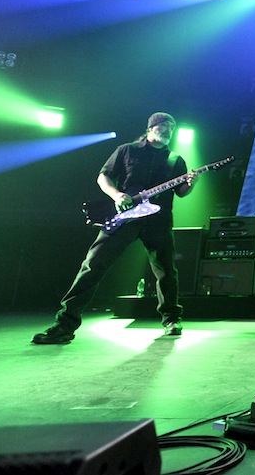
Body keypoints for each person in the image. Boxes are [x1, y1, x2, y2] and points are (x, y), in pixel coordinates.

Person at [32, 112, 196, 344]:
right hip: (125, 217)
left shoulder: (175, 160)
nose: (168, 130)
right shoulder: (127, 150)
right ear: (150, 128)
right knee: (93, 264)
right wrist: (117, 194)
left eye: (171, 127)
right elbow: (103, 177)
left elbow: (181, 192)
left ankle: (172, 320)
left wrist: (190, 184)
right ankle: (64, 325)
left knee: (166, 271)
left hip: (158, 220)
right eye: (163, 126)